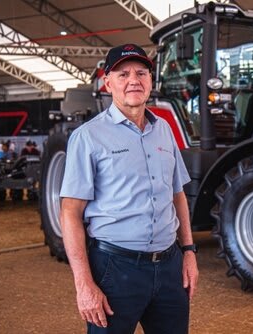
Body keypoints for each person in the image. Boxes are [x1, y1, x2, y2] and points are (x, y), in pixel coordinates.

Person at [59, 43, 199, 334]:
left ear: (151, 80)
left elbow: (177, 195)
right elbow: (70, 212)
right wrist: (84, 284)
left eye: (141, 72)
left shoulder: (164, 130)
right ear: (108, 83)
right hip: (115, 269)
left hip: (170, 267)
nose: (134, 80)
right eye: (123, 74)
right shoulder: (88, 137)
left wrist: (188, 251)